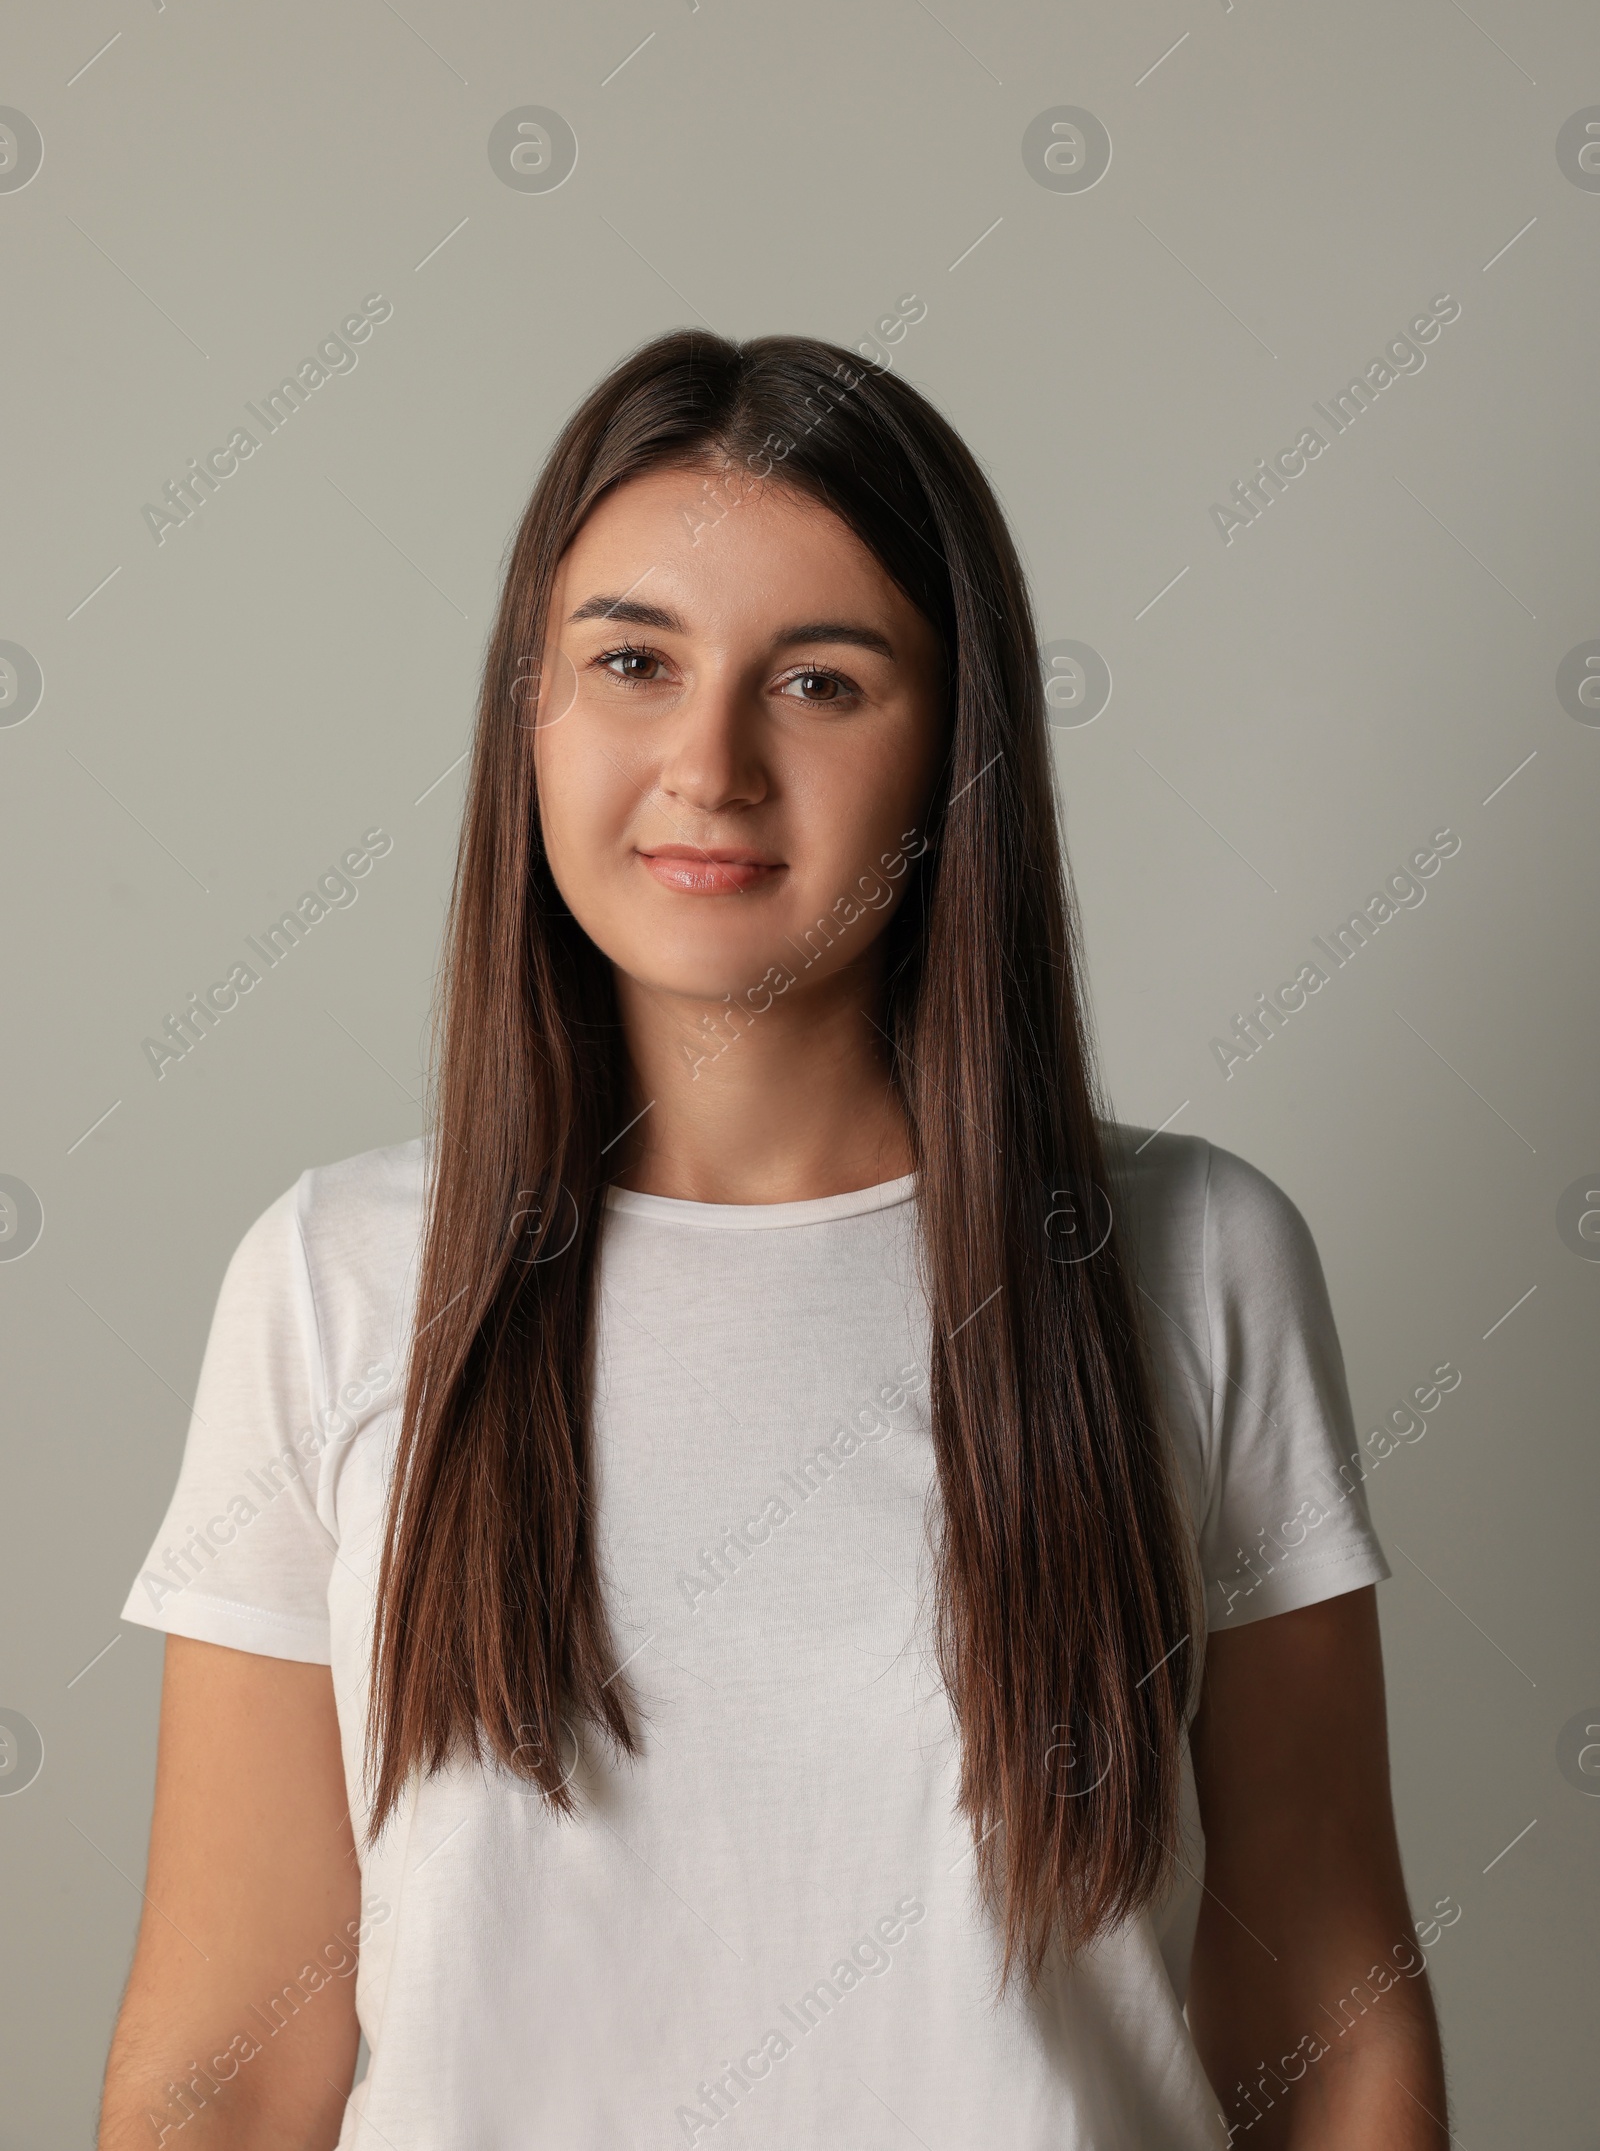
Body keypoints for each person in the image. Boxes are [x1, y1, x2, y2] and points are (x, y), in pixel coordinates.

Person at [99, 331, 1447, 2148]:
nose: (709, 762)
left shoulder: (1194, 1259)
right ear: (532, 713)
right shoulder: (339, 1281)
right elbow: (225, 2071)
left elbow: (1329, 2019)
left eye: (819, 681)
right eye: (633, 663)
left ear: (954, 750)